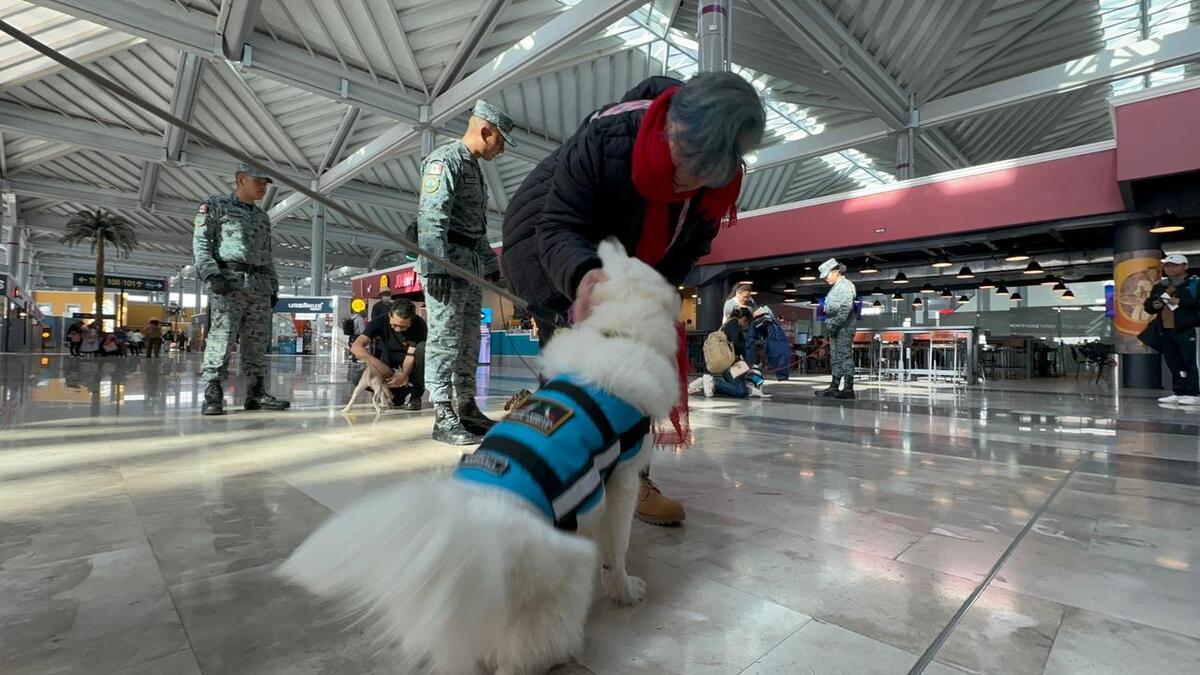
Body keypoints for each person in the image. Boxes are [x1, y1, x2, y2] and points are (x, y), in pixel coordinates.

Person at [501, 72, 766, 526]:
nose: (691, 178)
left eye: (710, 169)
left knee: (638, 362)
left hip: (628, 257)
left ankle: (631, 476)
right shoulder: (609, 137)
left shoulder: (718, 181)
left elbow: (687, 248)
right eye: (687, 157)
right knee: (577, 367)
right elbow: (558, 223)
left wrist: (650, 299)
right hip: (548, 247)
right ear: (669, 126)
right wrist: (584, 276)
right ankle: (551, 479)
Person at [417, 100, 511, 445]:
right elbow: (431, 216)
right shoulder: (446, 160)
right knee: (444, 340)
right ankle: (443, 416)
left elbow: (476, 230)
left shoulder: (474, 168)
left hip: (469, 263)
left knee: (469, 340)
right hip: (447, 264)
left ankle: (467, 408)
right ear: (485, 131)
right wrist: (435, 264)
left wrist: (491, 267)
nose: (500, 150)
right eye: (499, 141)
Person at [193, 162, 291, 416]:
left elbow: (267, 254)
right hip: (228, 281)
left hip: (258, 284)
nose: (263, 186)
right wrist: (212, 274)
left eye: (265, 182)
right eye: (257, 180)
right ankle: (213, 390)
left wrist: (273, 287)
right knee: (222, 336)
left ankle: (256, 392)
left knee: (257, 340)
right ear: (240, 180)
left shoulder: (262, 216)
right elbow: (201, 243)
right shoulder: (215, 205)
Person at [1141, 253, 1200, 406]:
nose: (1170, 268)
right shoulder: (1161, 286)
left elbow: (1196, 303)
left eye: (1174, 265)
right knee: (1173, 362)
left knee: (1190, 361)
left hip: (1187, 328)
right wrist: (1154, 305)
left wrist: (1180, 301)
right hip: (1166, 329)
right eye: (1167, 265)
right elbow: (1149, 306)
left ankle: (1193, 392)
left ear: (1185, 266)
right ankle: (1179, 391)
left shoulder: (1194, 283)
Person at [350, 298, 427, 410]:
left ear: (412, 320)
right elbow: (356, 347)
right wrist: (378, 365)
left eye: (403, 327)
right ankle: (390, 393)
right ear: (390, 316)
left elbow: (410, 356)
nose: (398, 330)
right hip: (388, 368)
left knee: (422, 348)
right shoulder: (380, 321)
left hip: (410, 370)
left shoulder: (418, 324)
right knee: (357, 376)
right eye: (394, 325)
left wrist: (403, 376)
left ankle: (416, 395)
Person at [816, 258, 857, 400]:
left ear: (836, 272)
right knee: (835, 357)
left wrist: (834, 324)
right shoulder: (836, 286)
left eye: (827, 275)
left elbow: (845, 308)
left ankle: (848, 388)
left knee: (845, 356)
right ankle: (834, 386)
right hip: (835, 327)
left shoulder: (846, 285)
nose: (825, 279)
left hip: (843, 327)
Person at [702, 306, 752, 398]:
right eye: (748, 322)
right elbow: (735, 341)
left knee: (741, 389)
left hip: (728, 362)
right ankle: (714, 383)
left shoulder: (727, 324)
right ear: (745, 319)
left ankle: (712, 385)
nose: (746, 326)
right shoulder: (734, 323)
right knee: (740, 391)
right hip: (730, 363)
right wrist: (742, 356)